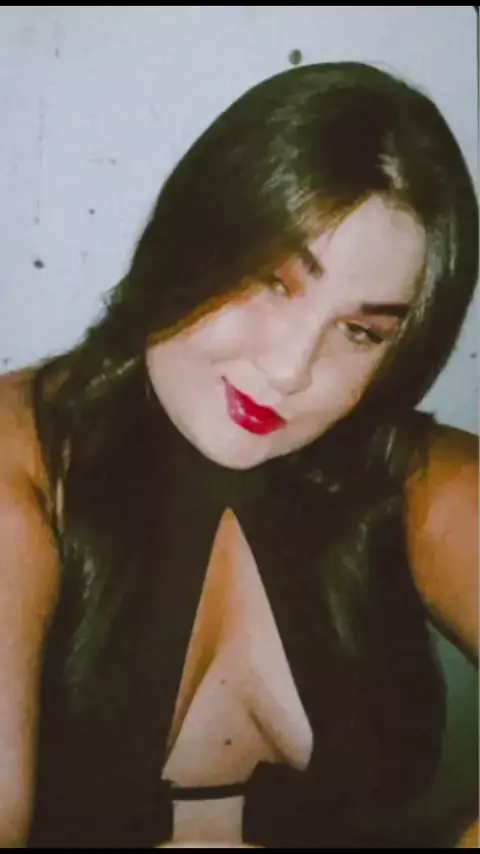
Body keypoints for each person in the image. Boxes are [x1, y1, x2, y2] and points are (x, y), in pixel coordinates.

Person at [0, 61, 477, 849]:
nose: (289, 370)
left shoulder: (417, 477)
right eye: (271, 282)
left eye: (359, 331)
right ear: (192, 240)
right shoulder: (23, 452)